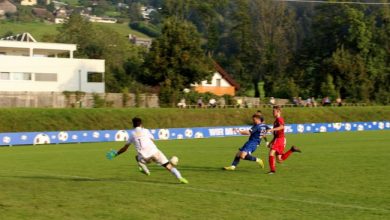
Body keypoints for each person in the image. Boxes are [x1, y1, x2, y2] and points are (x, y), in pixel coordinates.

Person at [106, 117, 189, 184]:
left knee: (137, 158)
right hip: (155, 153)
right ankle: (180, 177)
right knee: (168, 166)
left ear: (133, 125)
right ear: (141, 124)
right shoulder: (145, 130)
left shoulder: (131, 134)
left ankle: (145, 170)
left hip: (144, 157)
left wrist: (116, 154)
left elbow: (125, 148)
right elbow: (152, 140)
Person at [267, 106, 301, 174]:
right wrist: (271, 141)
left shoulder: (279, 119)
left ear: (278, 111)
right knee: (280, 160)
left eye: (274, 111)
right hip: (279, 139)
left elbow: (282, 126)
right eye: (272, 111)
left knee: (271, 153)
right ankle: (292, 150)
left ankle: (272, 171)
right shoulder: (276, 121)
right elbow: (276, 134)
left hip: (280, 139)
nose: (272, 113)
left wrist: (271, 129)